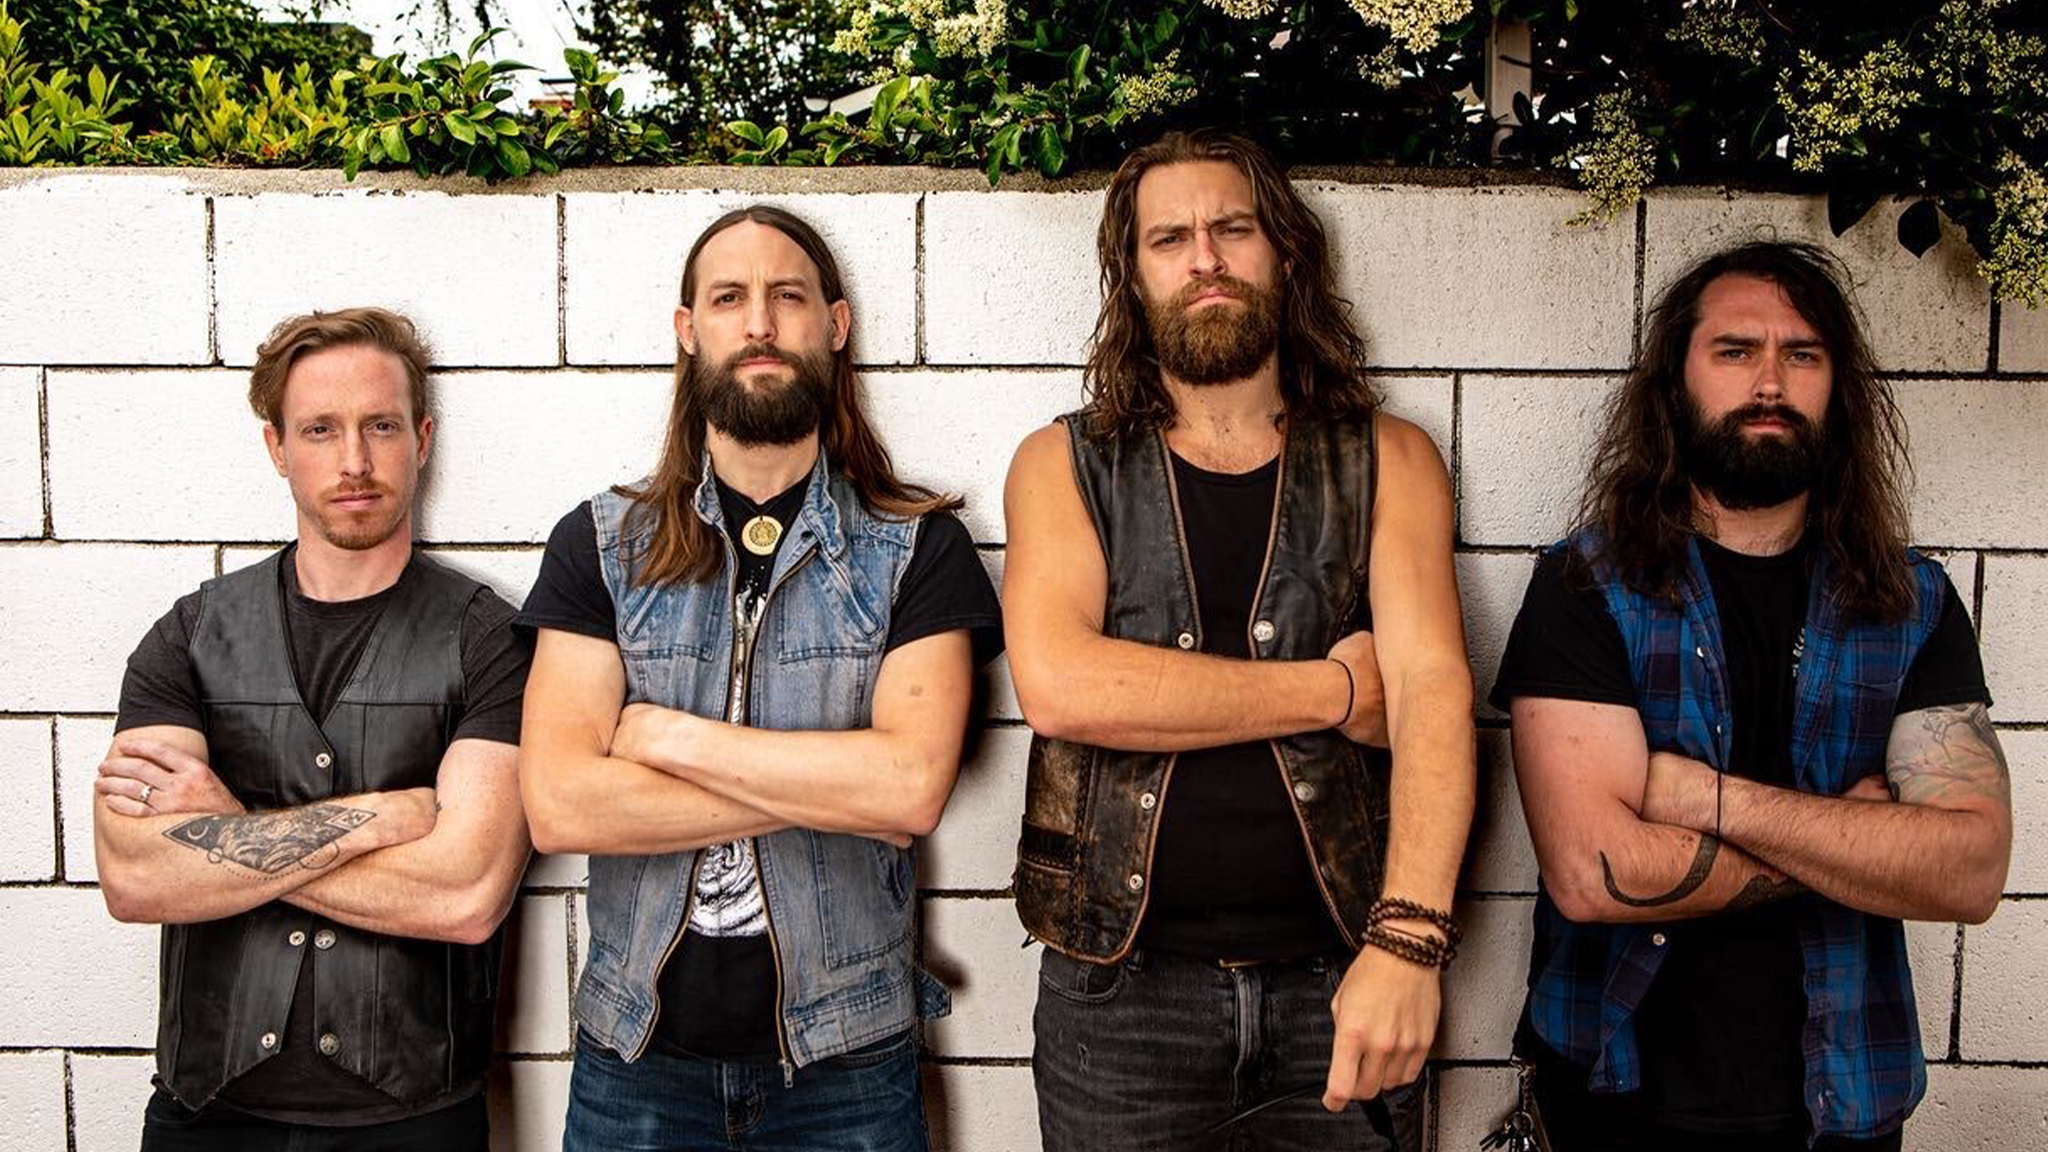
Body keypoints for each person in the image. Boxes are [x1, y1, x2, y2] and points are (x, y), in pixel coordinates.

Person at [1001, 128, 1477, 1152]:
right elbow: (1063, 687)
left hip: (1341, 981)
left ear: (1286, 253)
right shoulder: (1060, 464)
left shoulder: (1390, 459)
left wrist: (1409, 945)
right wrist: (1335, 692)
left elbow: (1434, 698)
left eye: (1233, 229)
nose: (1205, 259)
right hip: (1120, 1002)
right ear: (1133, 278)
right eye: (1169, 239)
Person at [1492, 240, 2012, 1150]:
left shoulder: (1913, 603)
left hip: (1843, 1102)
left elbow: (1969, 872)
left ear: (1837, 388)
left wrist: (1704, 799)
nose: (1769, 381)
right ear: (1676, 381)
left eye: (1801, 354)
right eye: (1735, 351)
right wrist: (1857, 844)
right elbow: (1594, 874)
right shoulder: (1586, 587)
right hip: (1615, 1099)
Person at [517, 204, 1003, 1151]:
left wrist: (665, 738)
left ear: (836, 324)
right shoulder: (602, 546)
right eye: (729, 298)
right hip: (635, 1059)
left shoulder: (916, 550)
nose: (759, 323)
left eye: (787, 296)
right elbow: (561, 806)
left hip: (847, 1063)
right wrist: (837, 788)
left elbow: (909, 789)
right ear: (687, 329)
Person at [92, 307, 534, 1150]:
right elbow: (136, 876)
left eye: (381, 426)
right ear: (277, 447)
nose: (354, 461)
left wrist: (226, 830)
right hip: (208, 1119)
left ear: (423, 439)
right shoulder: (188, 637)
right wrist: (382, 817)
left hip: (413, 1124)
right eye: (321, 430)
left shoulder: (487, 640)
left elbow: (466, 894)